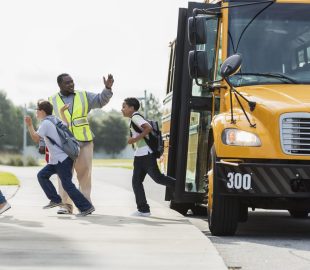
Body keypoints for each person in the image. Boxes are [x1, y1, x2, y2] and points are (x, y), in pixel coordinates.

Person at [48, 73, 114, 214]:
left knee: (84, 174)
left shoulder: (83, 95)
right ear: (60, 85)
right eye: (67, 83)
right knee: (63, 175)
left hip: (84, 142)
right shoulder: (52, 100)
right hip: (63, 144)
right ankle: (66, 206)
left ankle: (85, 205)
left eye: (72, 82)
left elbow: (100, 100)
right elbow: (47, 122)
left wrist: (107, 88)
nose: (71, 84)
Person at [25, 100, 94, 216]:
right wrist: (62, 112)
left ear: (42, 111)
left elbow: (36, 139)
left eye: (37, 110)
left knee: (67, 184)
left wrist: (30, 125)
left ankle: (86, 207)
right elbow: (66, 124)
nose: (36, 112)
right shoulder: (55, 119)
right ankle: (55, 200)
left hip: (62, 160)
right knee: (42, 175)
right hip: (57, 160)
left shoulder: (46, 123)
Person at [121, 97, 175, 216]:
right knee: (139, 181)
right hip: (141, 154)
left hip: (145, 155)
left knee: (156, 178)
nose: (122, 109)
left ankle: (179, 186)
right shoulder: (134, 118)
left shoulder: (136, 117)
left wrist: (135, 139)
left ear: (131, 108)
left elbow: (148, 128)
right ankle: (143, 209)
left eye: (124, 106)